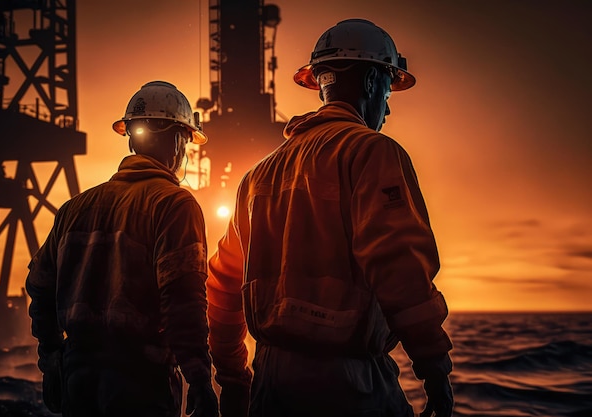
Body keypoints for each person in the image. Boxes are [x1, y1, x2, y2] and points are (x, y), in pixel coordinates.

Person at [206, 19, 454, 417]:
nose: (387, 108)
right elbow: (400, 267)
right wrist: (435, 369)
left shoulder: (257, 176)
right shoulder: (371, 152)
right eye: (388, 89)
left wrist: (234, 377)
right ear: (372, 82)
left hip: (269, 384)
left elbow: (221, 285)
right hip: (347, 387)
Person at [26, 81, 219, 417]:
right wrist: (200, 382)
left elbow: (39, 287)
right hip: (141, 382)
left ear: (132, 138)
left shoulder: (75, 207)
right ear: (177, 139)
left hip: (78, 377)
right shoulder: (174, 204)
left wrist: (52, 356)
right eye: (186, 141)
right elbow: (183, 302)